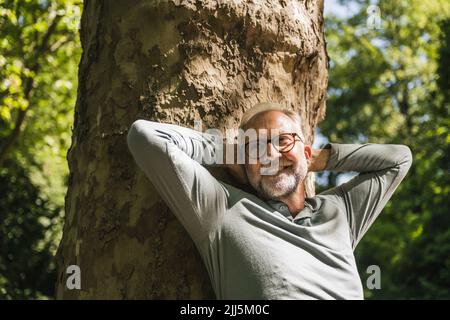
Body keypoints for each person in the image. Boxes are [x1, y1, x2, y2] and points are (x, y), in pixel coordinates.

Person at [126, 102, 412, 299]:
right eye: (257, 146)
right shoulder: (222, 208)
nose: (271, 155)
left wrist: (313, 160)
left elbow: (398, 159)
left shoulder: (340, 212)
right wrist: (232, 152)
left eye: (283, 140)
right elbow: (146, 136)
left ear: (307, 152)